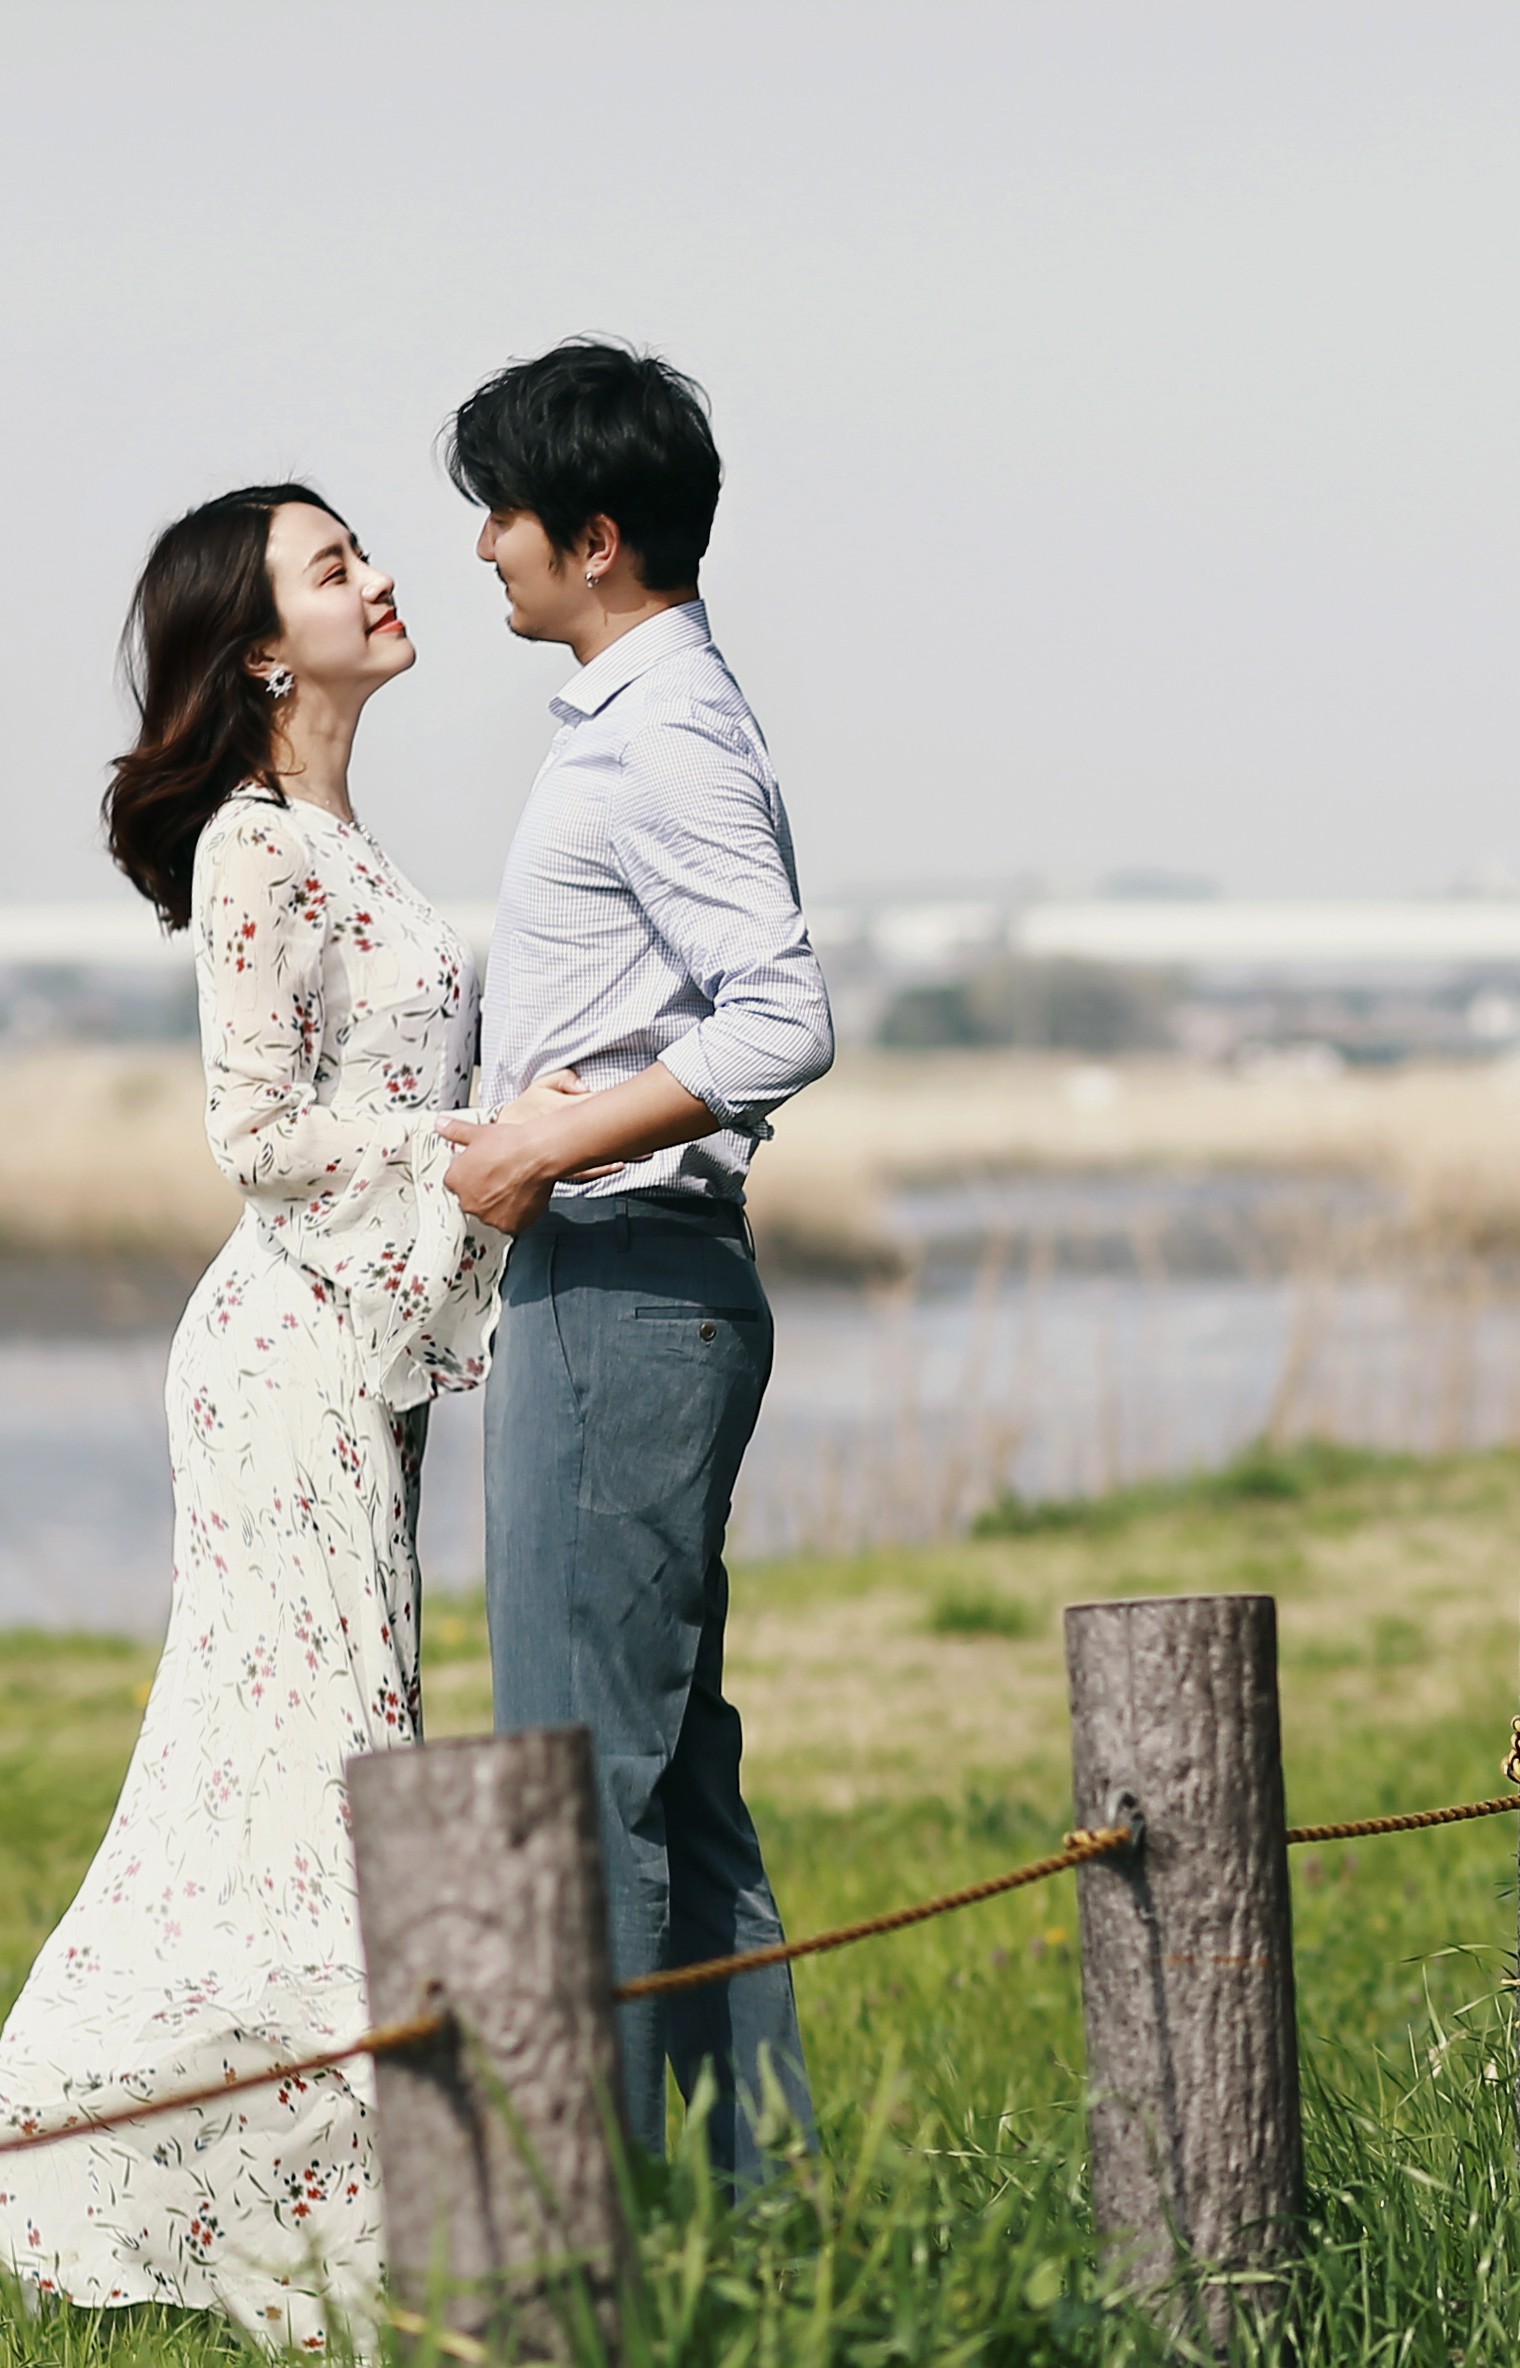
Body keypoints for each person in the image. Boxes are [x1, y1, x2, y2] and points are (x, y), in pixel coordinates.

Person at [0, 487, 504, 2345]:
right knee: (313, 1780)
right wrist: (475, 1152)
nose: (379, 576)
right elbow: (256, 1137)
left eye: (367, 550)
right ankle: (323, 2240)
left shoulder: (349, 840)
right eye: (333, 564)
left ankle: (320, 2209)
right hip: (283, 1367)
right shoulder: (251, 852)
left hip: (355, 1356)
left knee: (317, 1773)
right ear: (264, 648)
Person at [429, 340, 836, 2180]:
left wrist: (543, 1138)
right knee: (669, 1777)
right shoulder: (645, 716)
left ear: (594, 538)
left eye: (502, 514)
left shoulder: (663, 732)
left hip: (625, 1281)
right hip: (637, 1284)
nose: (484, 550)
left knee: (577, 1791)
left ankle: (584, 2268)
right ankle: (759, 2221)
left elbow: (785, 1016)